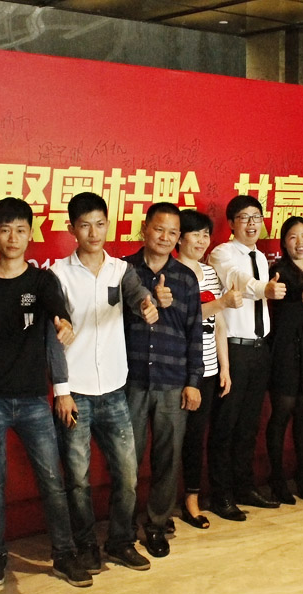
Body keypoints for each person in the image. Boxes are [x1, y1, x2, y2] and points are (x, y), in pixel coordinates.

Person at [0, 197, 91, 588]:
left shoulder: (41, 280)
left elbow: (57, 310)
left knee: (52, 481)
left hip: (34, 399)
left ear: (30, 234)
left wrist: (63, 322)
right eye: (5, 230)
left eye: (21, 230)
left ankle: (64, 555)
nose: (13, 238)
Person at [51, 192, 155, 574]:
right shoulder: (58, 274)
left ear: (108, 225)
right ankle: (85, 547)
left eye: (100, 224)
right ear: (72, 228)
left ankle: (120, 541)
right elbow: (53, 327)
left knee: (127, 475)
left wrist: (147, 305)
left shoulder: (120, 270)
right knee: (78, 480)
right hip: (75, 392)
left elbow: (138, 295)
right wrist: (61, 390)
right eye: (85, 225)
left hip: (114, 389)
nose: (93, 233)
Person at [122, 202, 203, 558]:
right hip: (131, 380)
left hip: (173, 382)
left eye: (173, 232)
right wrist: (146, 302)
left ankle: (156, 525)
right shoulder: (123, 270)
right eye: (159, 229)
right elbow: (110, 320)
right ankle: (124, 529)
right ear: (145, 229)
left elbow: (195, 332)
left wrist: (193, 381)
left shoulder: (185, 278)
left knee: (168, 461)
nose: (165, 237)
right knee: (127, 460)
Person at [207, 195, 285, 520]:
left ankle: (244, 486)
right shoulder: (222, 253)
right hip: (234, 350)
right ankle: (220, 494)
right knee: (226, 425)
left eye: (257, 217)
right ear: (231, 223)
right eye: (244, 217)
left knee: (249, 425)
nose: (252, 224)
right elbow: (237, 279)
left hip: (259, 349)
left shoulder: (261, 257)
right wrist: (263, 289)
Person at [175, 209, 239, 526]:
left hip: (211, 369)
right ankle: (187, 501)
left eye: (206, 234)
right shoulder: (171, 273)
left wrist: (225, 367)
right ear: (179, 238)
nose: (201, 241)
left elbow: (219, 324)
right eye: (195, 234)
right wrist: (221, 302)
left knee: (202, 436)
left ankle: (197, 496)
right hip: (182, 371)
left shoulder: (210, 273)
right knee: (186, 439)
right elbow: (183, 318)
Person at [265, 216, 303, 504]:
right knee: (281, 414)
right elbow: (280, 301)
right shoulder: (278, 272)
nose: (300, 242)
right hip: (285, 350)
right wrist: (301, 298)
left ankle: (302, 475)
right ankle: (277, 479)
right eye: (292, 237)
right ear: (284, 243)